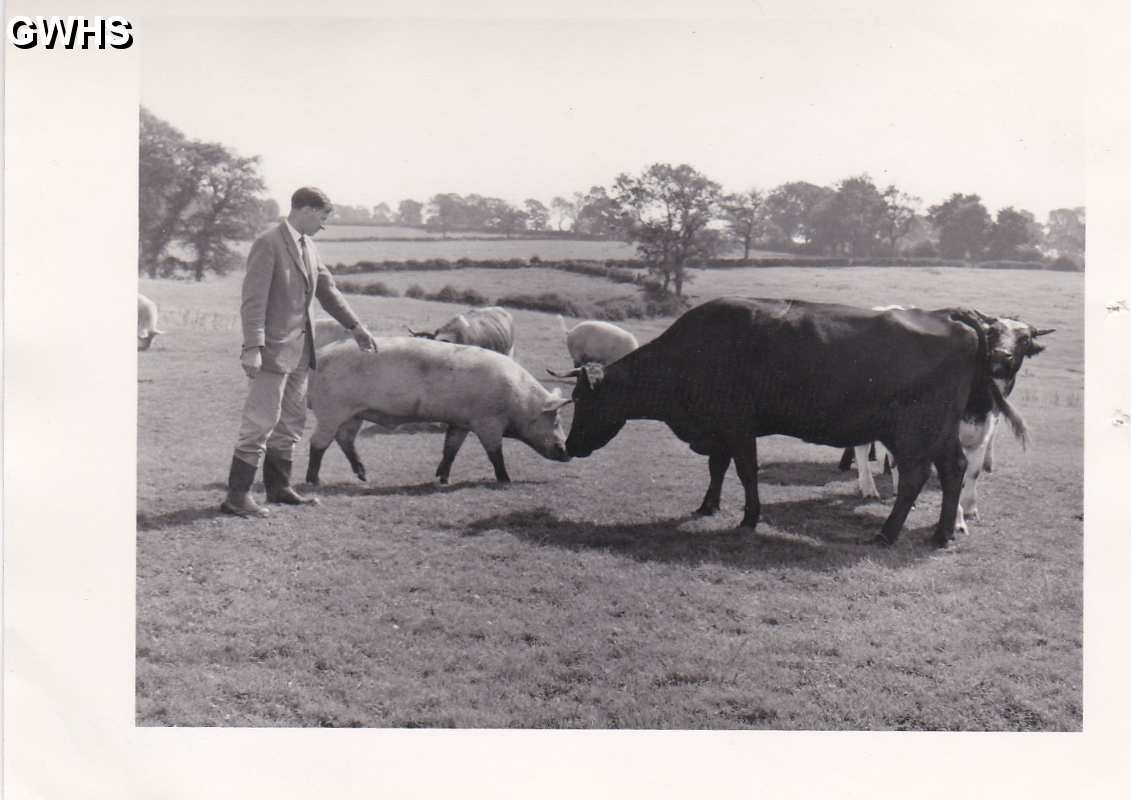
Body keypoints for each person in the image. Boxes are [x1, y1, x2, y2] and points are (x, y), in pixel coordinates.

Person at [221, 187, 377, 517]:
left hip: (301, 352)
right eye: (322, 217)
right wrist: (252, 347)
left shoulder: (310, 246)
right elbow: (253, 301)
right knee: (260, 423)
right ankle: (237, 497)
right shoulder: (268, 243)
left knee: (292, 422)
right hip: (271, 352)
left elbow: (328, 292)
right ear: (304, 210)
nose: (324, 225)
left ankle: (279, 489)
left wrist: (356, 326)